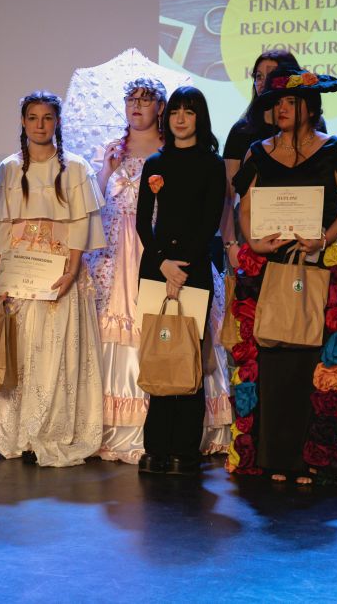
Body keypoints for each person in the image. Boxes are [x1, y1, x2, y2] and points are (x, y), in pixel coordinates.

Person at [233, 66, 337, 485]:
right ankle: (274, 457)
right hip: (271, 267)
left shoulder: (334, 149)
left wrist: (324, 238)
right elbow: (245, 208)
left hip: (318, 267)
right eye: (276, 103)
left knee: (313, 362)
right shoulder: (258, 152)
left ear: (310, 106)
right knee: (274, 358)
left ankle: (311, 459)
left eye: (290, 101)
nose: (282, 109)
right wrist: (255, 242)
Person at [0, 90, 106, 467]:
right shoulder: (10, 169)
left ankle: (47, 430)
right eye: (33, 118)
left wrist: (72, 270)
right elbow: (0, 226)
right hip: (19, 273)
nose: (40, 125)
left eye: (47, 118)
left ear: (57, 122)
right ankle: (14, 432)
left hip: (59, 272)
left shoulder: (75, 168)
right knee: (20, 347)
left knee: (53, 351)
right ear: (23, 122)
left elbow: (80, 224)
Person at [135, 86, 225, 475]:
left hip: (194, 270)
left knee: (187, 356)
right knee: (158, 353)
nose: (181, 119)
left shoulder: (212, 164)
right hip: (156, 270)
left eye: (189, 112)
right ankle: (155, 447)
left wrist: (181, 267)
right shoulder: (155, 162)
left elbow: (209, 223)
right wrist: (163, 263)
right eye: (174, 112)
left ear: (199, 118)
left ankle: (184, 451)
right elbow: (143, 222)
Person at [85, 77, 166, 464]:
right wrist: (107, 169)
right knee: (107, 326)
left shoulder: (168, 151)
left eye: (146, 100)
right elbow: (93, 202)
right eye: (131, 99)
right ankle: (103, 424)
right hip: (114, 249)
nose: (137, 106)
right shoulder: (112, 149)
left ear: (160, 108)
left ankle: (158, 425)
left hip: (151, 246)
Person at [220, 50, 325, 268]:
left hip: (302, 238)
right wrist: (230, 245)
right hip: (252, 238)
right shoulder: (242, 131)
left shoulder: (313, 129)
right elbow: (228, 196)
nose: (263, 82)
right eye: (258, 76)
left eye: (271, 75)